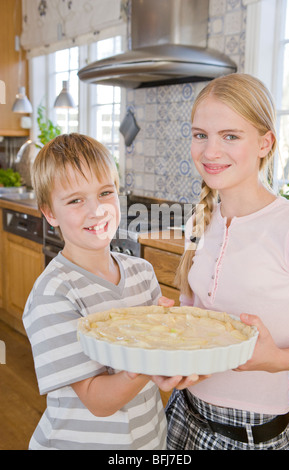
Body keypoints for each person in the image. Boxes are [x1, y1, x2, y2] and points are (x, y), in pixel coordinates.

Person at [23, 133, 198, 450]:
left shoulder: (142, 273)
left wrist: (174, 346)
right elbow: (98, 402)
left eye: (105, 193)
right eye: (75, 200)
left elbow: (156, 370)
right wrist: (152, 351)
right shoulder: (54, 293)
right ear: (49, 213)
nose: (96, 210)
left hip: (147, 440)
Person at [166, 73, 289, 450]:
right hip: (182, 415)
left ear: (264, 142)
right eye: (200, 135)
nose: (210, 152)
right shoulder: (200, 218)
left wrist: (276, 358)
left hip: (251, 435)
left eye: (230, 136)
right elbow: (193, 318)